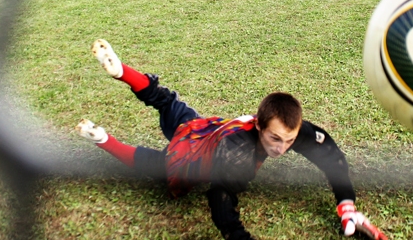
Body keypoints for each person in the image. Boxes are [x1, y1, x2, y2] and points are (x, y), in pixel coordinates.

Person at [77, 39, 388, 240]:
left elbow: (331, 157)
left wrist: (346, 204)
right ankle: (104, 140)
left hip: (203, 127)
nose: (281, 147)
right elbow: (221, 198)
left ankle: (121, 73)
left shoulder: (290, 129)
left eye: (289, 139)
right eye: (275, 139)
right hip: (198, 153)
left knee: (167, 102)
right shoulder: (239, 155)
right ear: (259, 125)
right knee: (159, 166)